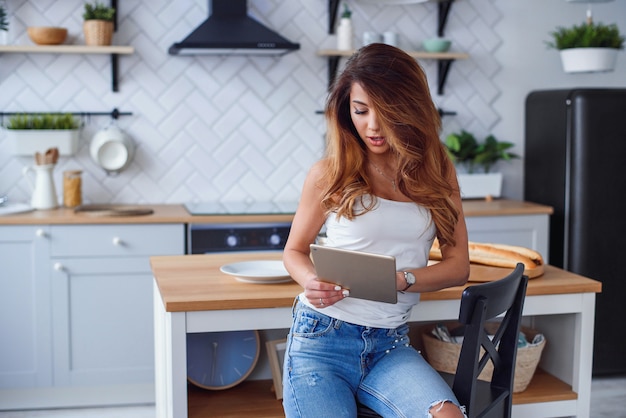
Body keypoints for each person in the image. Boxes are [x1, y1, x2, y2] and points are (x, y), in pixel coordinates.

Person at [281, 43, 470, 418]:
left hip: (389, 346)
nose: (372, 125)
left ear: (409, 109)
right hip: (321, 342)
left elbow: (458, 266)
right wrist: (309, 280)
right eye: (360, 111)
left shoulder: (437, 172)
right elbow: (294, 251)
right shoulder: (328, 173)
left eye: (384, 112)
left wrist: (402, 280)